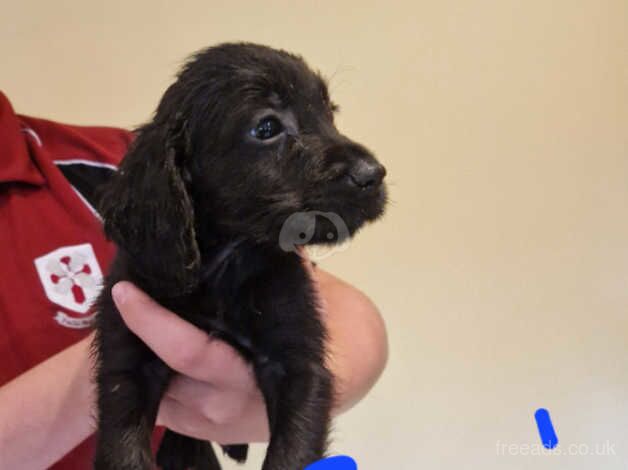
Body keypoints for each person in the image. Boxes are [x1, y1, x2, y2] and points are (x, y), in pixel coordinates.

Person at [0, 91, 388, 469]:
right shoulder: (150, 173)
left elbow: (344, 313)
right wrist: (130, 349)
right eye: (268, 127)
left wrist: (308, 375)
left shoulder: (109, 164)